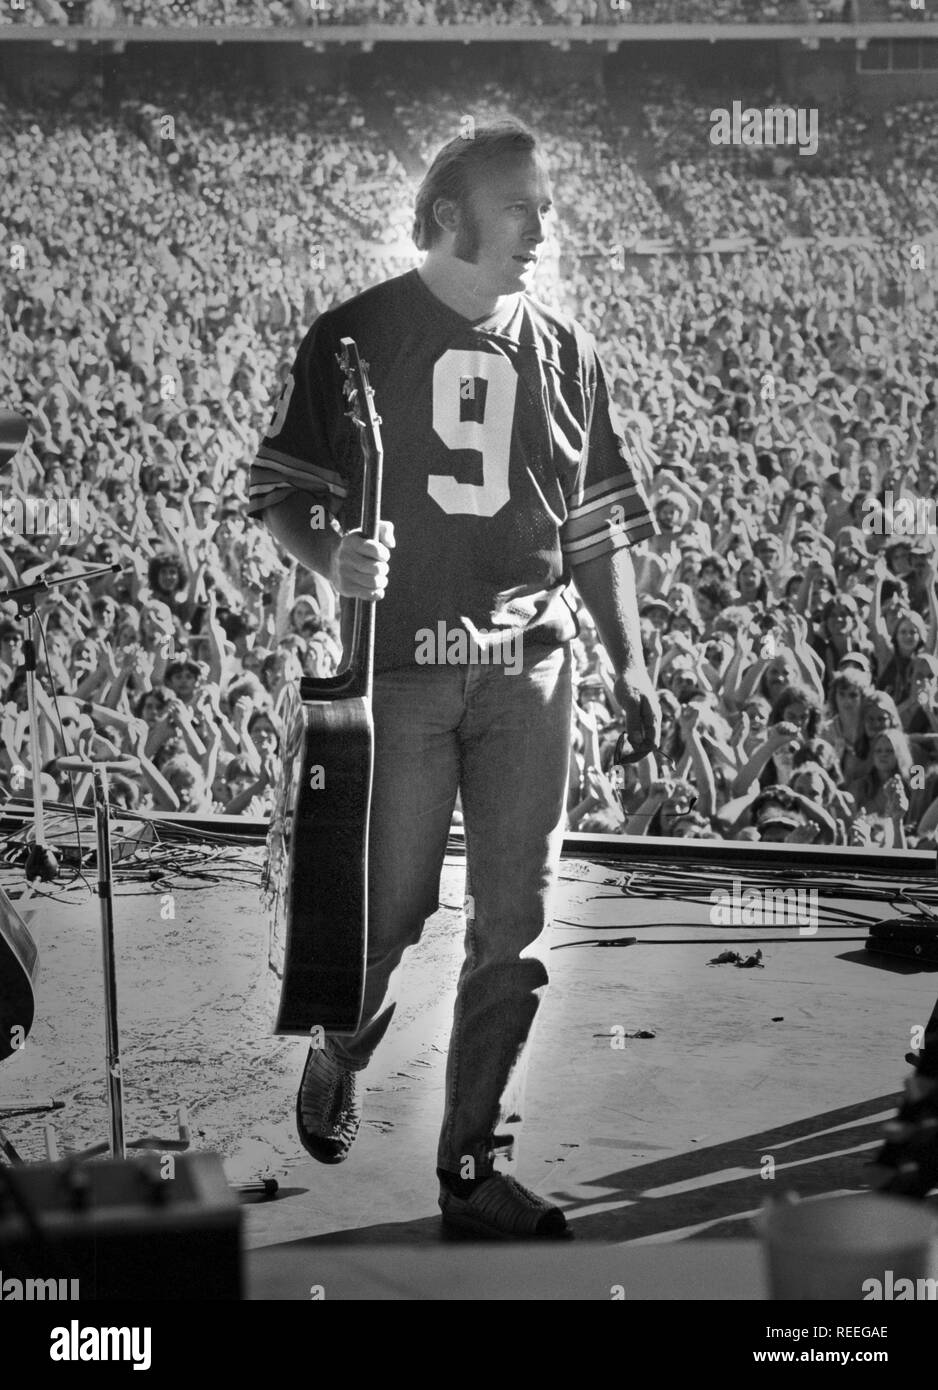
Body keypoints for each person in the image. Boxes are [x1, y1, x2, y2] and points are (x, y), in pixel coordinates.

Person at [250, 120, 660, 1240]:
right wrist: (323, 551)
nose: (541, 225)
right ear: (446, 213)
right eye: (520, 203)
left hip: (529, 672)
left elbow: (594, 527)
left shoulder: (568, 354)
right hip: (404, 672)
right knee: (388, 917)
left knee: (512, 929)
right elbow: (283, 489)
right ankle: (343, 1041)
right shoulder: (355, 336)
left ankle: (470, 1169)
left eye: (542, 203)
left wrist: (628, 662)